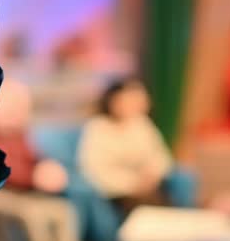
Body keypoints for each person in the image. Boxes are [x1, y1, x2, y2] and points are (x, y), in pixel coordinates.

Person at [77, 78, 195, 216]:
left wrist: (153, 174)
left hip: (148, 185)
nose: (137, 105)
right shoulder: (98, 128)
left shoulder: (142, 125)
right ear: (113, 101)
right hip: (118, 192)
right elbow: (94, 170)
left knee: (165, 197)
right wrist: (132, 183)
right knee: (149, 206)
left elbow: (161, 157)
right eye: (130, 100)